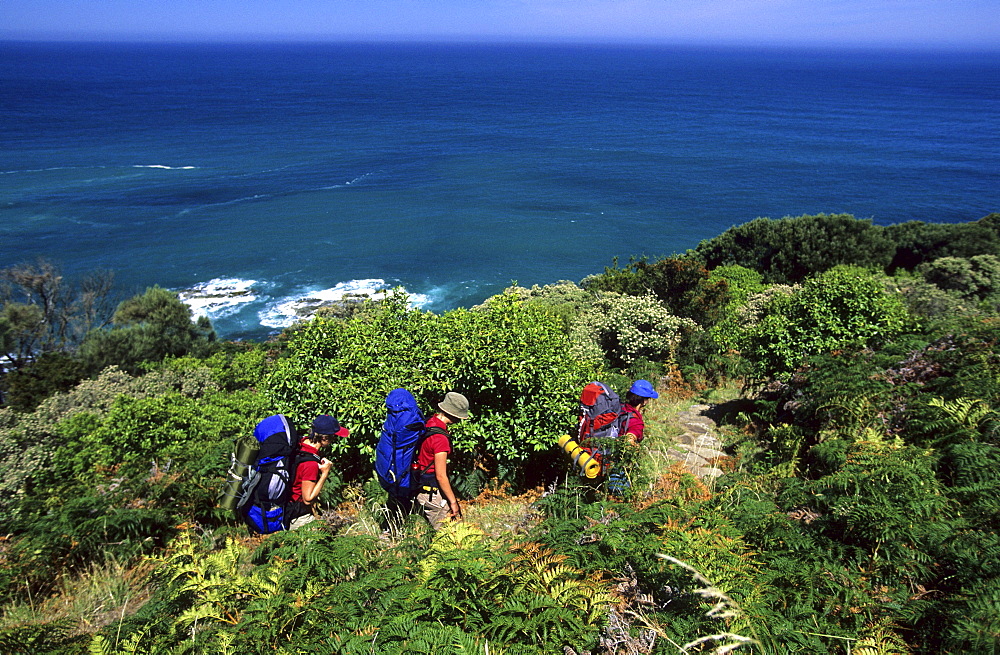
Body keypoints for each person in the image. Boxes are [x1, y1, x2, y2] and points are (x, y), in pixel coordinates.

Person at [413, 391, 469, 530]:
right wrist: (453, 502)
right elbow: (441, 475)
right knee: (449, 536)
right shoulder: (440, 439)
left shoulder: (429, 423)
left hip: (419, 486)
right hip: (431, 494)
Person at [288, 414, 349, 530]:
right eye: (333, 437)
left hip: (289, 506)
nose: (334, 441)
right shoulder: (310, 464)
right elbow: (308, 499)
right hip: (298, 515)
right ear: (324, 438)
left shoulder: (301, 442)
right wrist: (325, 473)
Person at [622, 379, 659, 445]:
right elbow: (630, 438)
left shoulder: (621, 408)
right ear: (644, 401)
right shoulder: (636, 422)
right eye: (648, 398)